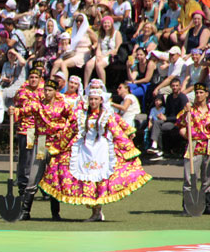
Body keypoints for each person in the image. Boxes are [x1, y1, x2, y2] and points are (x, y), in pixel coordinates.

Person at [39, 87, 151, 221]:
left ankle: (97, 211)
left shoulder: (106, 115)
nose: (93, 101)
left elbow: (116, 132)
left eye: (95, 99)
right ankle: (95, 212)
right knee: (87, 179)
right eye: (91, 99)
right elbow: (70, 132)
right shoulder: (82, 115)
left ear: (100, 100)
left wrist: (128, 147)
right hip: (85, 150)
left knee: (100, 179)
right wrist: (58, 147)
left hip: (101, 150)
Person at [11, 78, 70, 220]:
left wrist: (65, 135)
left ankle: (55, 213)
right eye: (45, 90)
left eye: (50, 90)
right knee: (34, 176)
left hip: (57, 143)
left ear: (56, 92)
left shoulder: (63, 106)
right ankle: (25, 212)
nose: (47, 93)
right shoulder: (38, 106)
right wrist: (15, 110)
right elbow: (25, 110)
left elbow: (73, 122)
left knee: (54, 178)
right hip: (42, 141)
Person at [177, 83, 210, 213]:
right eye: (197, 93)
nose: (198, 95)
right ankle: (188, 205)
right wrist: (185, 112)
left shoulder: (209, 110)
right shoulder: (190, 110)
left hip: (207, 145)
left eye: (201, 92)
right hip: (194, 145)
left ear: (206, 94)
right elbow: (179, 122)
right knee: (190, 177)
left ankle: (206, 205)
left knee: (207, 178)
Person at [14, 66, 45, 194]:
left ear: (40, 79)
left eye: (36, 77)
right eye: (31, 77)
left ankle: (43, 186)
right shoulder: (23, 91)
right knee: (27, 159)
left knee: (42, 157)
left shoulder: (44, 91)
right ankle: (24, 185)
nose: (33, 80)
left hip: (43, 130)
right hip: (28, 129)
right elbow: (29, 107)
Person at [149, 81, 190, 159]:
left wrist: (167, 118)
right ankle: (154, 145)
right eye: (173, 86)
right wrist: (163, 116)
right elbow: (167, 112)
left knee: (161, 127)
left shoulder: (182, 98)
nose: (174, 87)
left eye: (176, 85)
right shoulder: (169, 97)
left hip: (178, 122)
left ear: (180, 86)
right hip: (169, 120)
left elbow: (182, 115)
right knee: (157, 122)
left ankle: (161, 150)